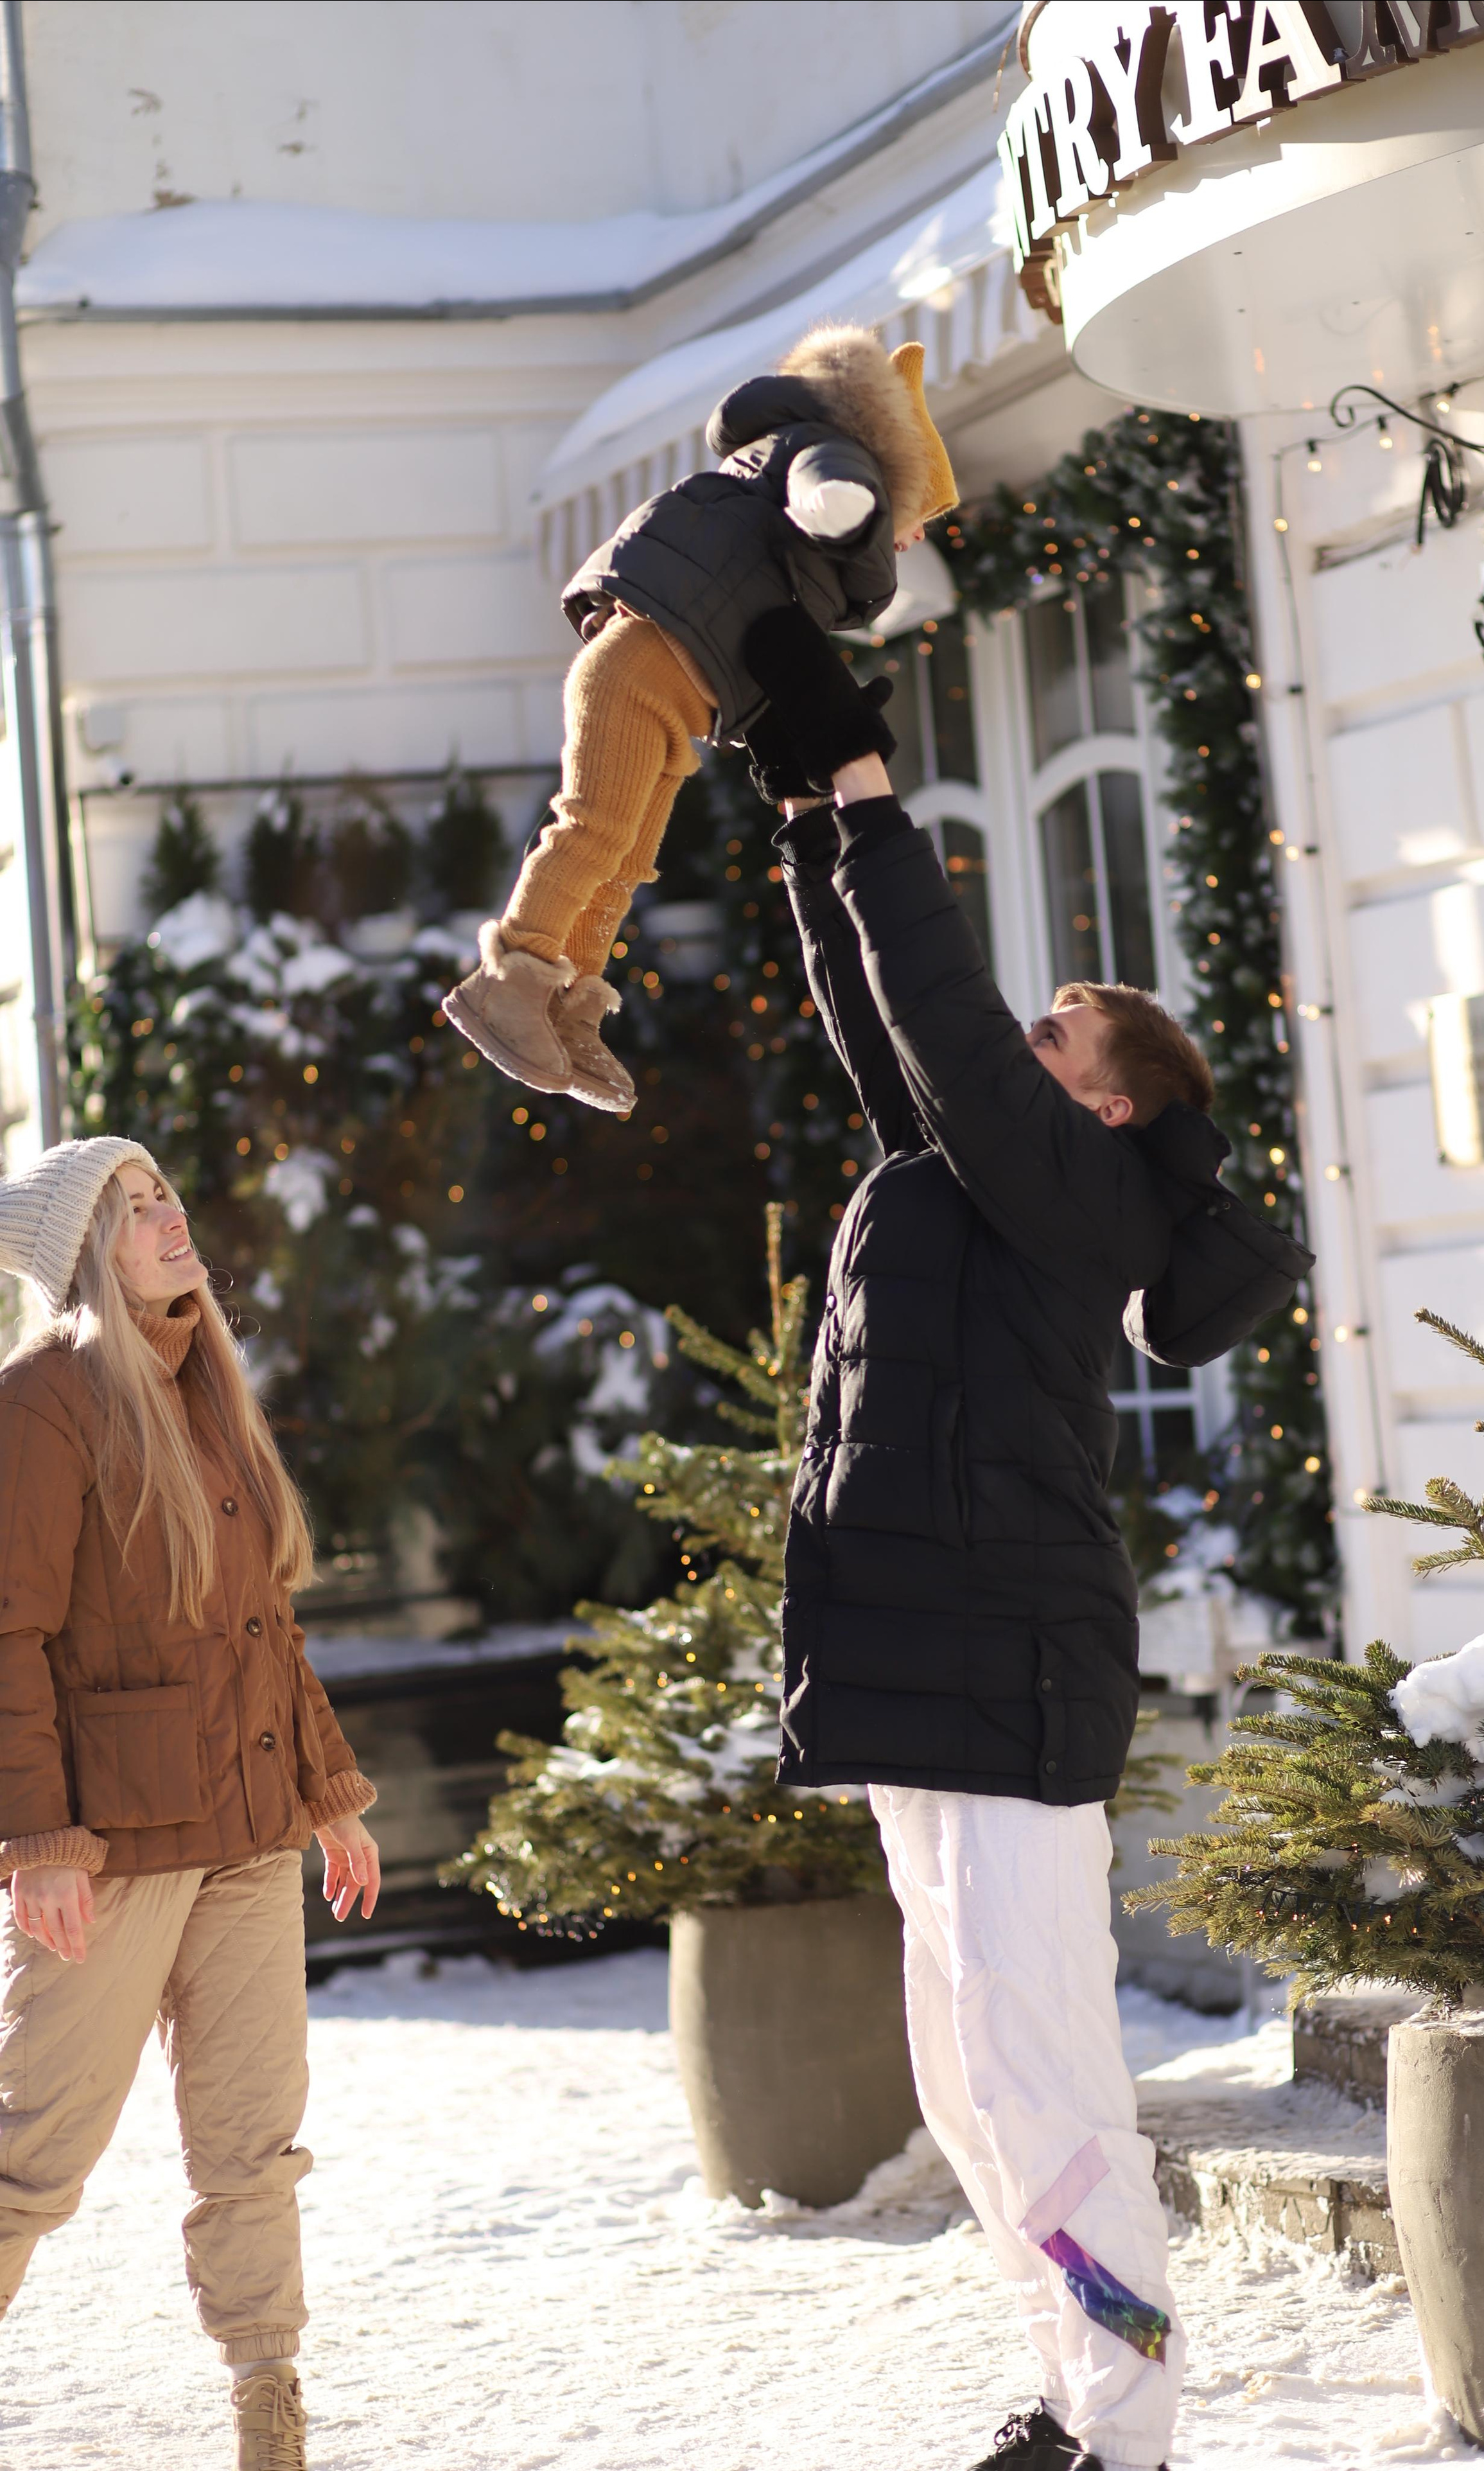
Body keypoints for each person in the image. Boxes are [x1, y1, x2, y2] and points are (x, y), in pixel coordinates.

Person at [753, 654, 1307, 2469]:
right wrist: (810, 825)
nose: (1024, 1037)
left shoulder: (1082, 1192)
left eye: (1059, 1030)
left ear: (1114, 1105)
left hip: (1013, 1666)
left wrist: (879, 794)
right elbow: (885, 1015)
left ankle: (1128, 2422)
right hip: (933, 1663)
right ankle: (1073, 2395)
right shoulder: (977, 1170)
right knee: (968, 2082)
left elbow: (944, 1010)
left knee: (1041, 2071)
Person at [0, 1138, 381, 2471]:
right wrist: (39, 1844)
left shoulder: (207, 1390)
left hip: (245, 1836)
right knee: (34, 2158)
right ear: (88, 1252)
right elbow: (7, 1633)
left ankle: (269, 2421)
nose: (171, 1217)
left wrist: (326, 1790)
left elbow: (260, 1624)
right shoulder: (43, 1402)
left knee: (253, 2146)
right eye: (136, 1207)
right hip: (112, 1850)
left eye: (167, 1194)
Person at [442, 320, 956, 1116]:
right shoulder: (826, 458)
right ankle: (511, 977)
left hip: (668, 692)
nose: (917, 535)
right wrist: (846, 506)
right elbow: (826, 480)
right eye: (920, 516)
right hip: (638, 668)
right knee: (592, 829)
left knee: (628, 857)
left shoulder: (786, 509)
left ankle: (568, 1004)